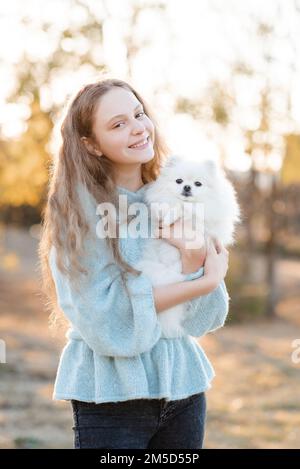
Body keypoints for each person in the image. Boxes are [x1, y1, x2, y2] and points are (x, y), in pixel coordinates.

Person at [38, 77, 229, 449]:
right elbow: (105, 317)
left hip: (183, 387)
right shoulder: (79, 215)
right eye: (118, 124)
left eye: (138, 114)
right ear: (90, 144)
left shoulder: (179, 195)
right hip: (112, 396)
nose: (138, 127)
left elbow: (204, 319)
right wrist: (201, 281)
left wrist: (192, 259)